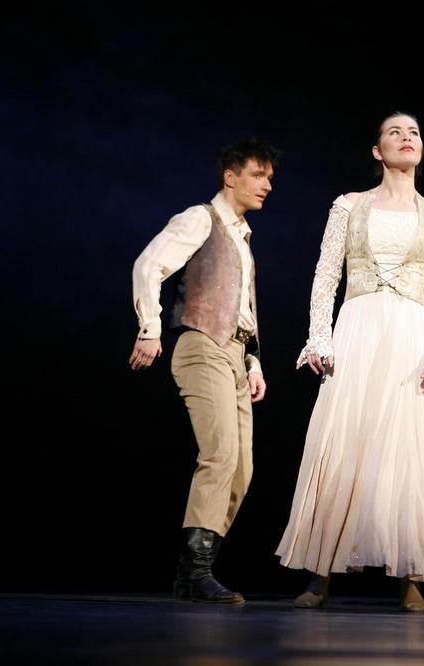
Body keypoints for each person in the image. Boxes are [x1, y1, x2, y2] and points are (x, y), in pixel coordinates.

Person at [275, 113, 424, 612]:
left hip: (411, 334)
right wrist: (319, 338)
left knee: (409, 449)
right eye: (395, 132)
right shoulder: (349, 206)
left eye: (414, 133)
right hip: (359, 328)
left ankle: (412, 574)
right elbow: (326, 275)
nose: (406, 138)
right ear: (376, 150)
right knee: (344, 441)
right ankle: (320, 573)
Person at [129, 138, 278, 604]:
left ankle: (193, 569)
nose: (267, 186)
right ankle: (195, 572)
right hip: (202, 345)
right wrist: (150, 329)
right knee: (220, 454)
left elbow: (242, 307)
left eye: (270, 178)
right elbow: (149, 265)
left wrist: (253, 360)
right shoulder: (201, 218)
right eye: (258, 175)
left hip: (235, 355)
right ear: (230, 177)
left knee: (242, 468)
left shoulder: (243, 238)